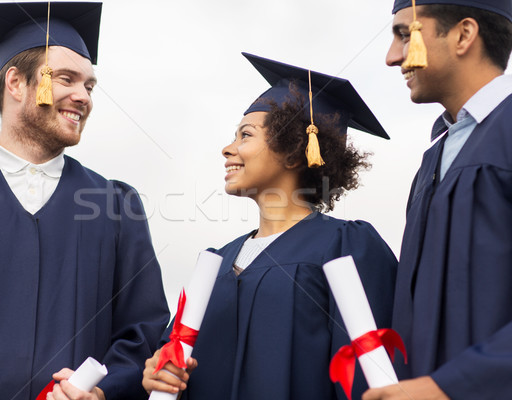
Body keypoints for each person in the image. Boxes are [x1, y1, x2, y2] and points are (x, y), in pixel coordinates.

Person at [0, 2, 169, 400]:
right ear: (15, 83)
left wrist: (103, 392)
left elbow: (141, 332)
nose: (83, 96)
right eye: (66, 79)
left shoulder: (114, 206)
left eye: (89, 86)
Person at [142, 53, 398, 400]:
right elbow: (169, 359)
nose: (227, 149)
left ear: (294, 151)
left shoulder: (346, 245)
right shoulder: (215, 263)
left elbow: (370, 379)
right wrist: (156, 373)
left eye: (244, 135)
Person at [363, 1, 512, 399]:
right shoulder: (435, 157)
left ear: (464, 35)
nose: (392, 57)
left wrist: (452, 386)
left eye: (404, 34)